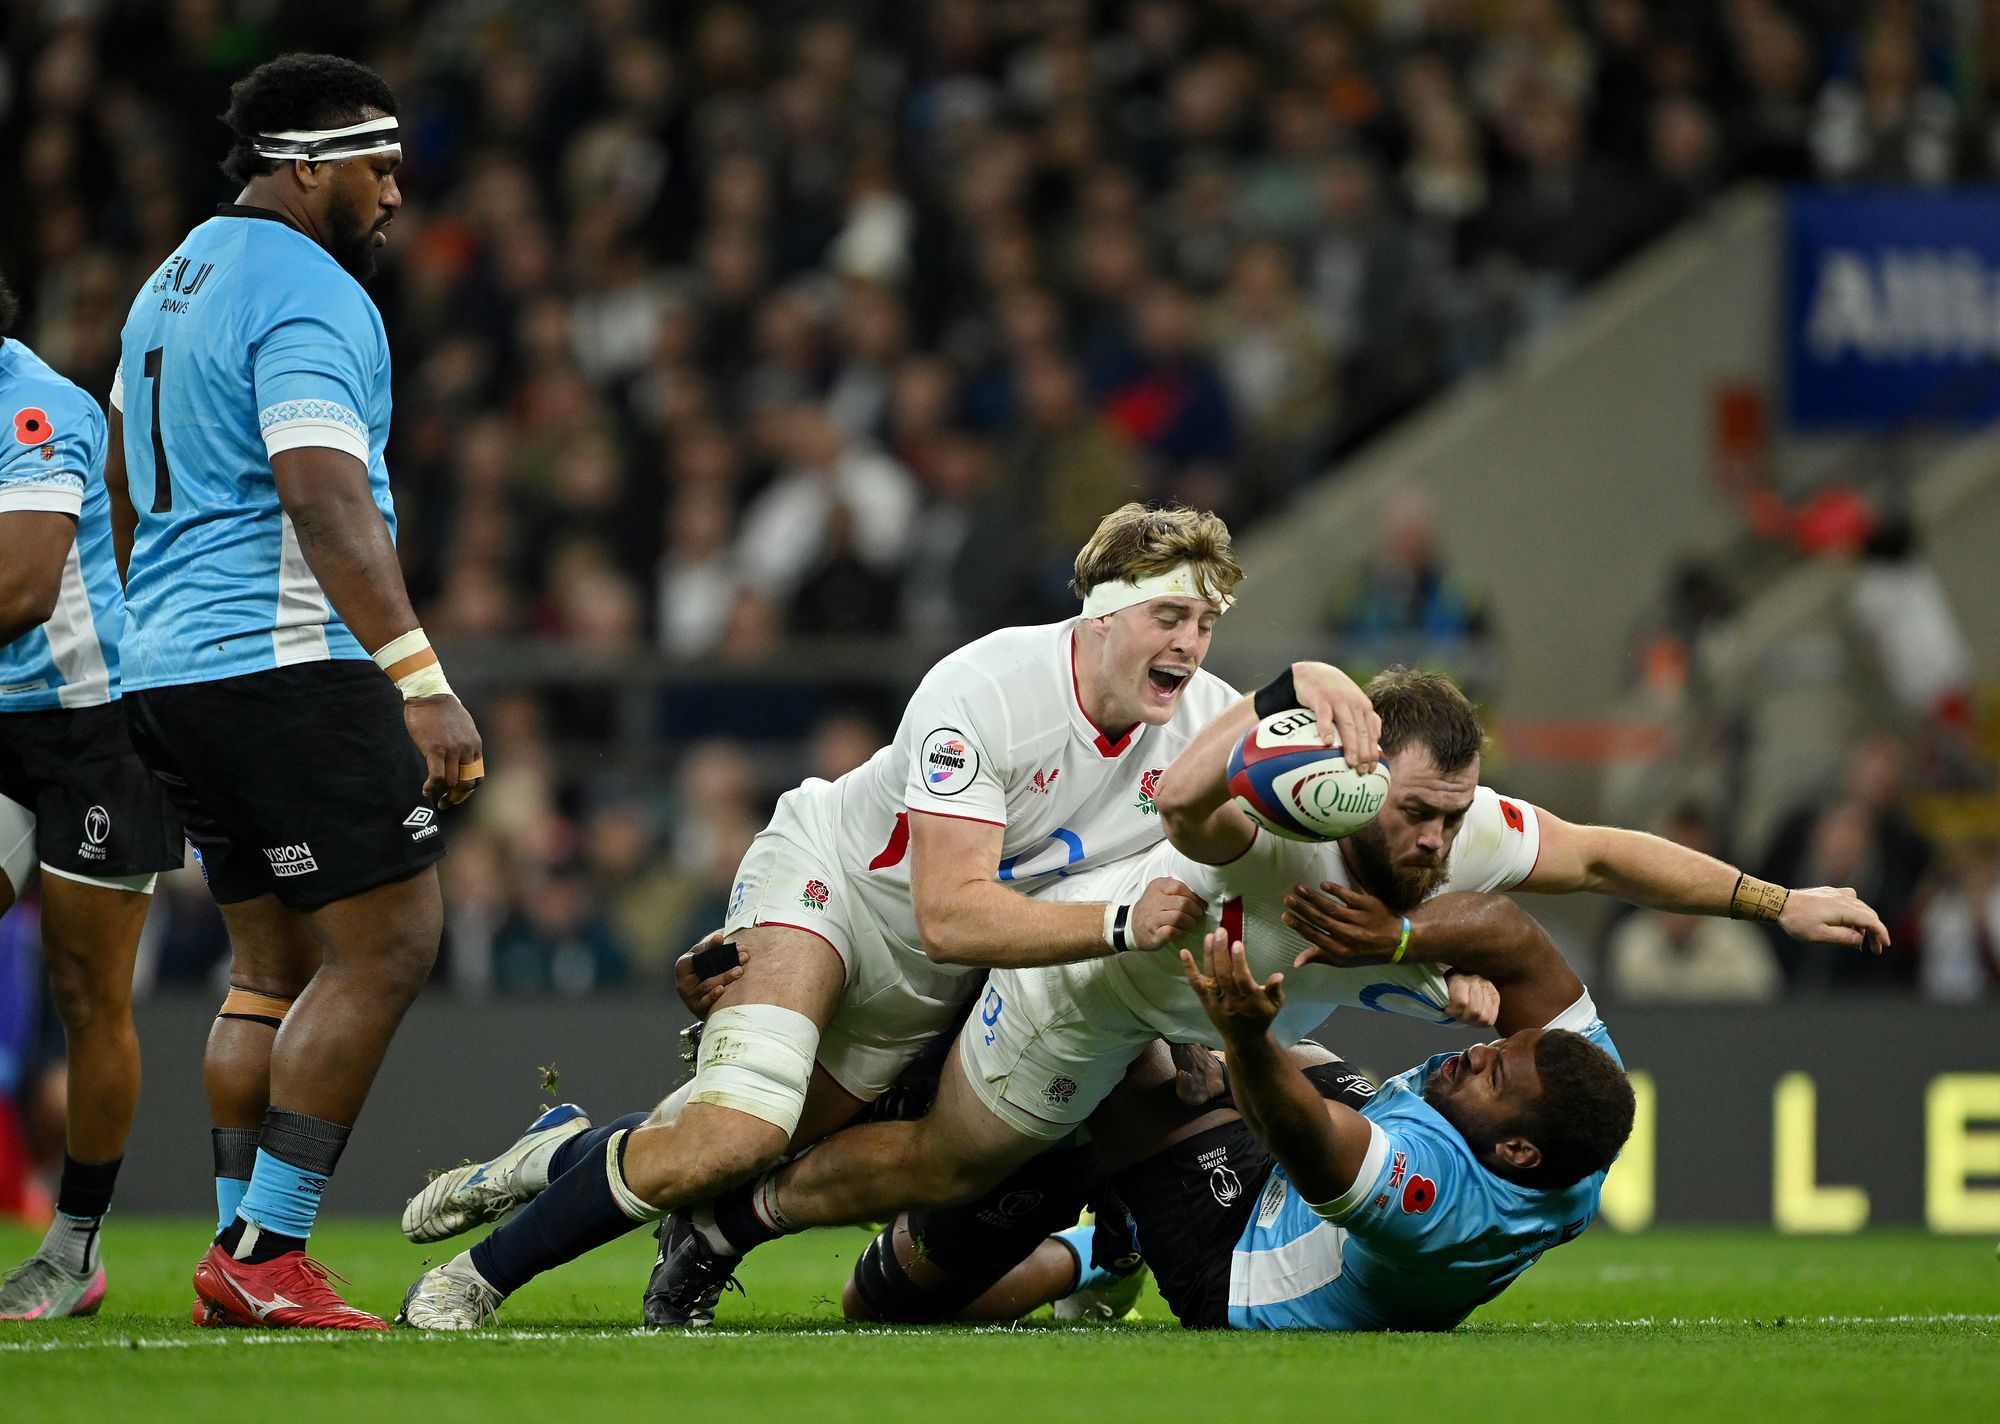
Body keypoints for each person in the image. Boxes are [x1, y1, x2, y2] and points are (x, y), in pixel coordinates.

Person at [397, 502, 1382, 1329]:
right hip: (835, 891)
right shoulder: (987, 688)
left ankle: (555, 1152)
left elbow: (1225, 874)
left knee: (736, 1148)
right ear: (1100, 613)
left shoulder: (1203, 724)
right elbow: (950, 913)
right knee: (735, 1132)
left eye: (1204, 622)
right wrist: (1124, 925)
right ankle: (475, 1277)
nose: (1189, 644)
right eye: (1168, 615)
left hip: (941, 976)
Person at [663, 670, 1885, 1319]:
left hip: (1226, 1056)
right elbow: (1180, 809)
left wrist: (1777, 901)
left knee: (927, 1249)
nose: (1437, 839)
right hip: (1100, 992)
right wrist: (1273, 697)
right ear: (1354, 775)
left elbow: (1604, 855)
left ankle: (1080, 1230)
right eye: (1416, 811)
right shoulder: (1276, 806)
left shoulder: (1458, 848)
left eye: (1453, 814)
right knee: (951, 1157)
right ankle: (734, 1213)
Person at [105, 54, 482, 1330]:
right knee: (391, 941)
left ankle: (235, 1248)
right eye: (379, 167)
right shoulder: (310, 292)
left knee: (268, 964)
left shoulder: (171, 280)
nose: (394, 194)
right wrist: (420, 679)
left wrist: (156, 634)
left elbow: (123, 484)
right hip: (280, 662)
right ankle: (268, 1248)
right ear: (309, 167)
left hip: (173, 667)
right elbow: (321, 493)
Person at [853, 906, 1629, 1332]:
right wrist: (1396, 935)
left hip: (1240, 1260)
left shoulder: (1436, 1202)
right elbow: (1518, 938)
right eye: (1498, 1047)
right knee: (1209, 1034)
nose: (1476, 1052)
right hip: (1343, 1182)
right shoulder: (1583, 1101)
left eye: (1494, 1073)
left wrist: (1243, 1038)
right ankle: (1109, 1196)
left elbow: (1304, 1135)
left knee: (1107, 1028)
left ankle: (1100, 1245)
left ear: (1517, 1150)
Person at [0, 268, 184, 1319]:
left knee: (85, 990)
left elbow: (25, 587)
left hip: (94, 725)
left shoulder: (39, 405)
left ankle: (73, 1251)